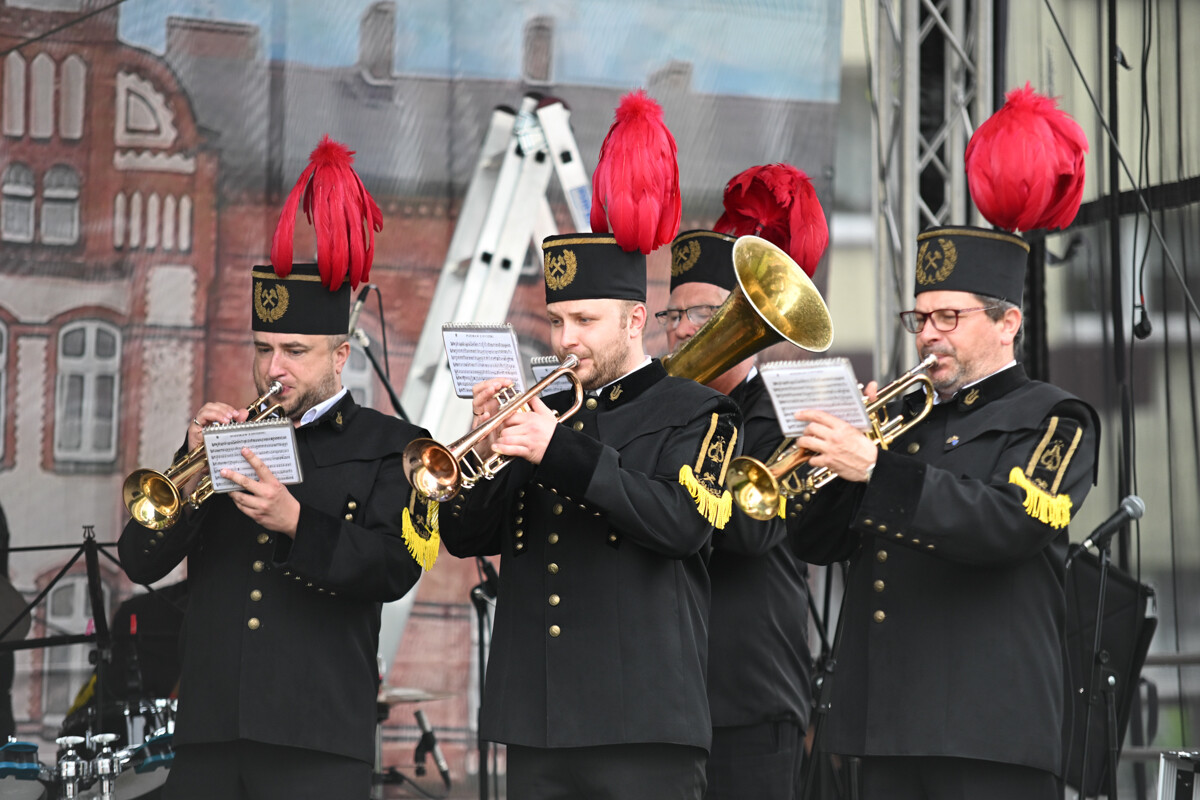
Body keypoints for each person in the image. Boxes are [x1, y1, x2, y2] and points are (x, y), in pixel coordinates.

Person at [119, 138, 433, 800]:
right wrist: (188, 464)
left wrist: (297, 523)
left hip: (316, 739)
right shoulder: (226, 439)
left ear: (341, 355)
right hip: (210, 733)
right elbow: (140, 561)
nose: (273, 369)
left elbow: (395, 569)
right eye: (263, 349)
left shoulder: (392, 444)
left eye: (294, 350)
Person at [788, 225, 1100, 800]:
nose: (929, 334)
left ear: (1008, 323)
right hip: (885, 725)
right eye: (921, 318)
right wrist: (837, 460)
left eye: (949, 317)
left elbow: (1009, 524)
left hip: (987, 733)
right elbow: (818, 545)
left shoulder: (1055, 417)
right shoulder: (905, 421)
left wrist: (876, 469)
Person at [434, 229, 742, 800]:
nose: (565, 339)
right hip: (539, 721)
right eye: (556, 321)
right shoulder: (544, 410)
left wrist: (558, 450)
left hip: (642, 727)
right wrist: (481, 449)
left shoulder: (697, 411)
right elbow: (464, 535)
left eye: (585, 320)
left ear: (634, 320)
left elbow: (681, 524)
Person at [660, 228, 814, 800]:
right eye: (672, 315)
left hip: (750, 696)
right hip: (670, 700)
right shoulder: (666, 411)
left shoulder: (780, 410)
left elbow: (752, 528)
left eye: (701, 313)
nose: (681, 329)